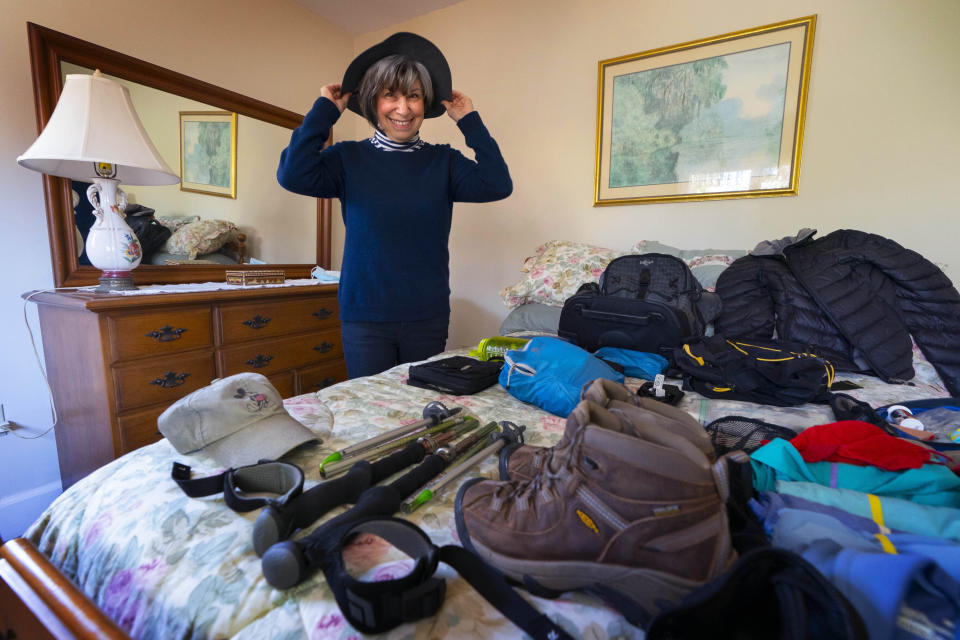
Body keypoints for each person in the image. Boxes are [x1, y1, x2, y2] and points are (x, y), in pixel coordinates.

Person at [277, 32, 512, 379]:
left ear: (425, 103)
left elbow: (497, 184)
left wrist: (469, 121)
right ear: (373, 101)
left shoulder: (444, 163)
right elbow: (292, 174)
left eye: (413, 97)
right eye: (391, 96)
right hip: (364, 318)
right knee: (374, 409)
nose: (403, 109)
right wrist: (325, 111)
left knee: (421, 411)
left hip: (426, 317)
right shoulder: (347, 159)